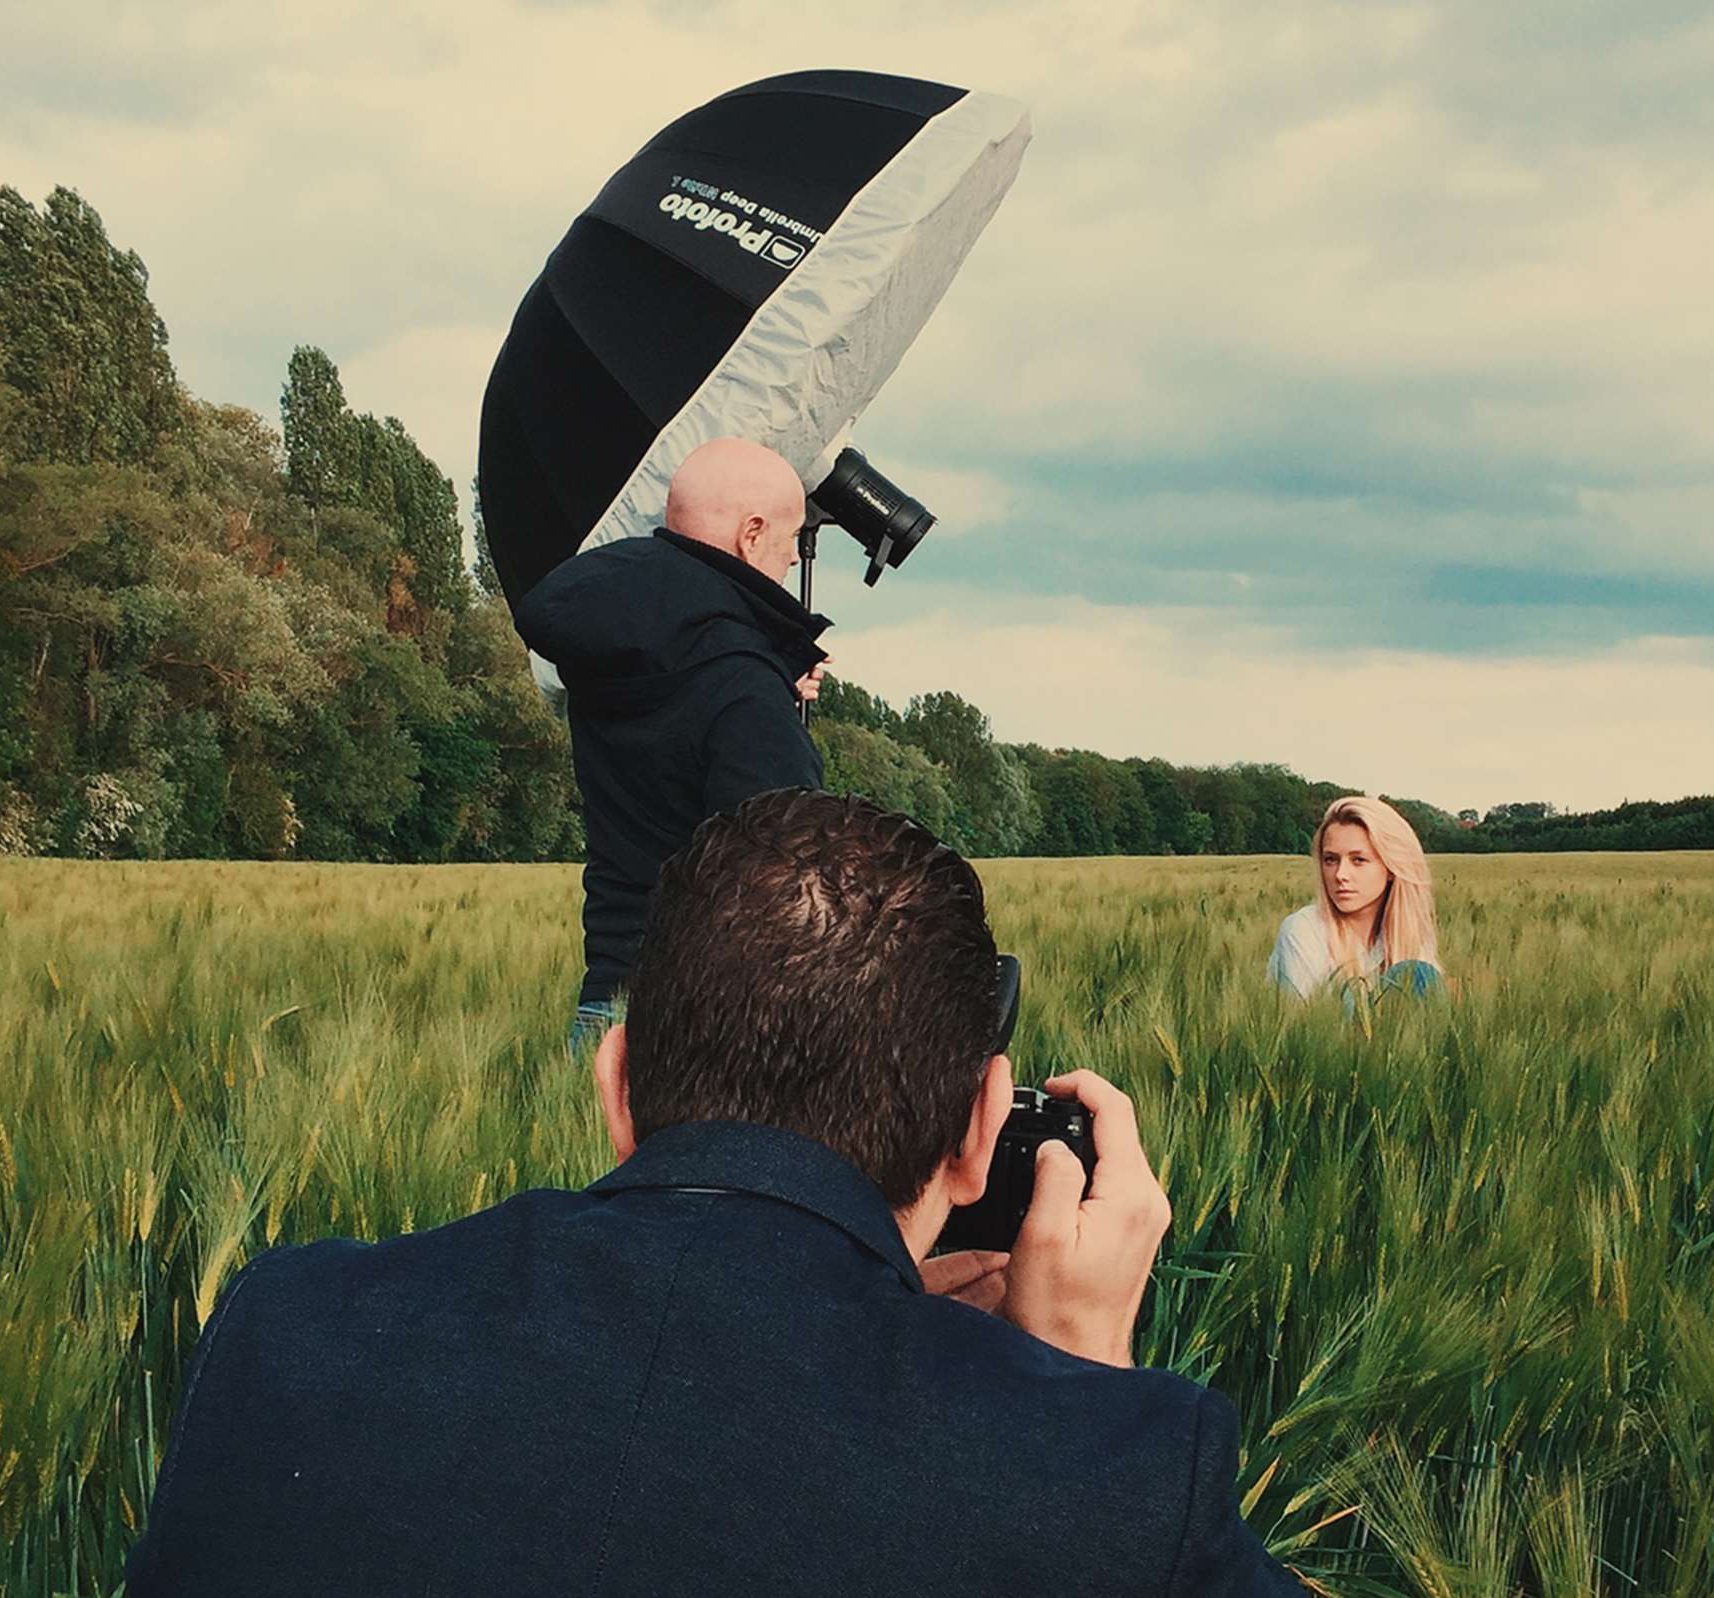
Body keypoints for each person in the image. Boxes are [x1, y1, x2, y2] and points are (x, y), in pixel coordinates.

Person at [123, 790, 1301, 1595]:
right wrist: (1070, 1395)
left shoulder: (286, 1327)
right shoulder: (1130, 1465)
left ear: (615, 1079)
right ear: (980, 1130)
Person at [513, 438, 834, 1047]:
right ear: (752, 532)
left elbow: (676, 715)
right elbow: (783, 883)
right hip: (701, 1027)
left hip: (605, 1007)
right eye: (791, 539)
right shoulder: (740, 689)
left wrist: (764, 667)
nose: (793, 559)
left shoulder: (613, 643)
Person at [1269, 795, 1442, 1001]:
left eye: (1358, 860)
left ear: (1391, 868)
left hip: (1393, 1031)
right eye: (1330, 860)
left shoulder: (1410, 934)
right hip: (1327, 1033)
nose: (1340, 874)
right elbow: (1303, 1022)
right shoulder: (1303, 930)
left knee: (1419, 974)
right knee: (1348, 996)